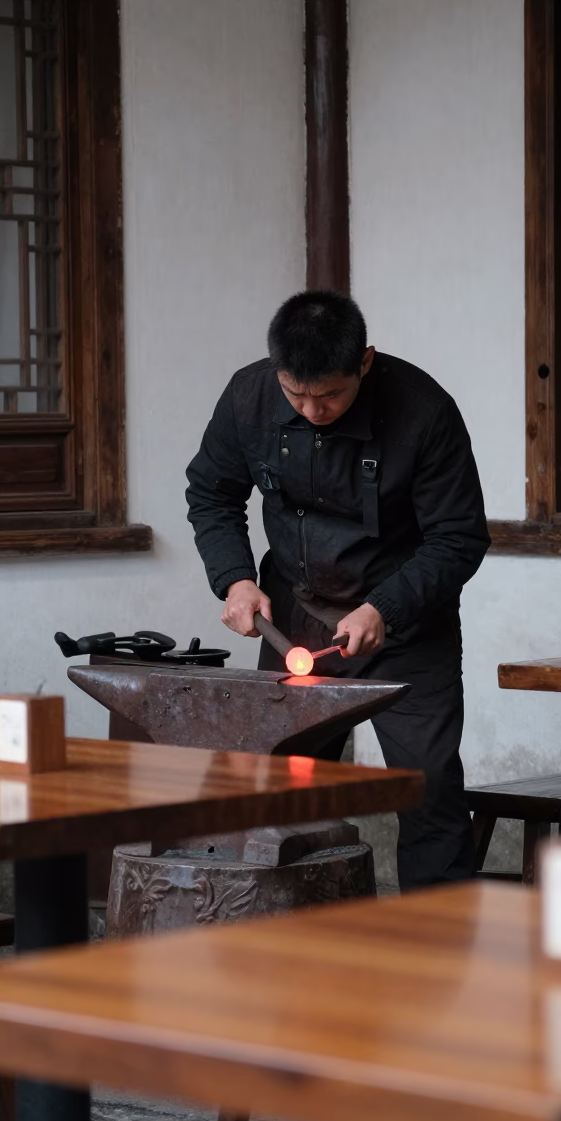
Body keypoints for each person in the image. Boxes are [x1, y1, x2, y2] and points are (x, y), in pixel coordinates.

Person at [185, 290, 490, 889]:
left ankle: (442, 953)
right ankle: (294, 947)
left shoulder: (423, 410)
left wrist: (386, 607)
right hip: (294, 617)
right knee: (284, 791)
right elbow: (212, 494)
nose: (312, 409)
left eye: (329, 394)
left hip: (403, 627)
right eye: (296, 394)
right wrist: (237, 579)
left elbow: (458, 537)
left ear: (365, 362)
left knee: (426, 790)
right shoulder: (249, 397)